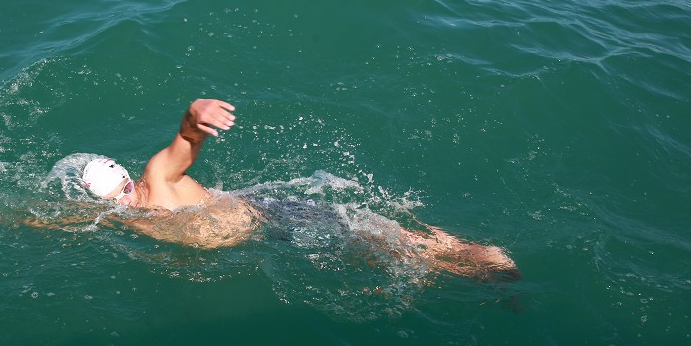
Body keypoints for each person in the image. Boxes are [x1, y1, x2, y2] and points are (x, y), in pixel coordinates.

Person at [48, 98, 519, 280]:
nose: (125, 200)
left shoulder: (158, 181)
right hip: (265, 233)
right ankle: (470, 265)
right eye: (116, 198)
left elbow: (186, 141)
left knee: (385, 240)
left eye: (124, 190)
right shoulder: (119, 216)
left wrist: (196, 114)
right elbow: (73, 222)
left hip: (271, 215)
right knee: (374, 249)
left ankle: (482, 258)